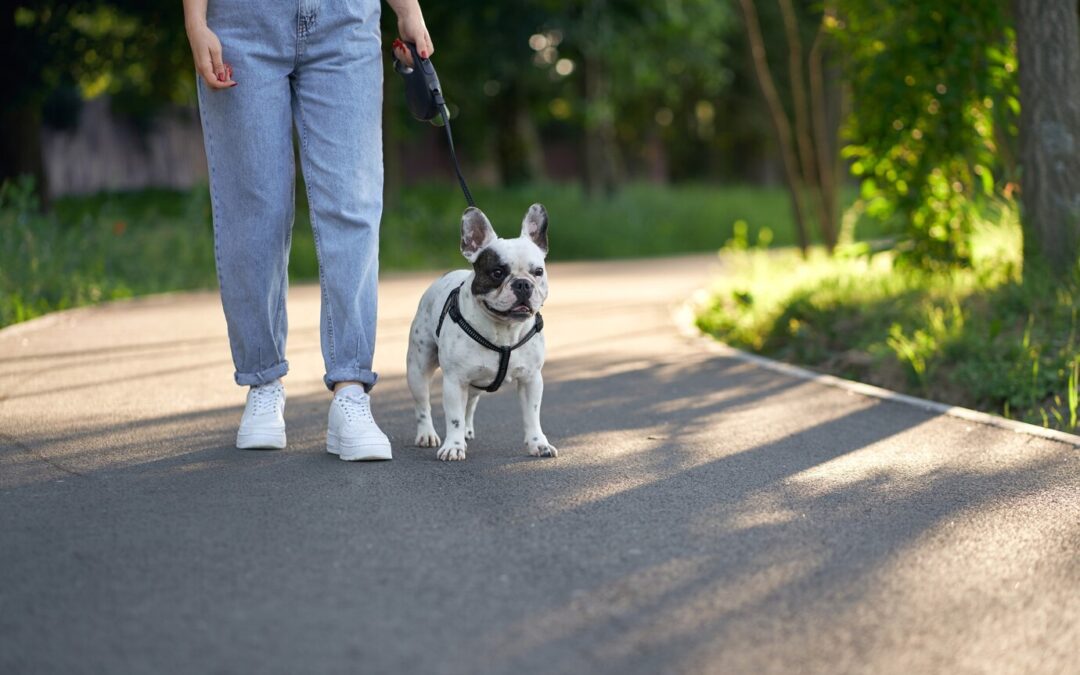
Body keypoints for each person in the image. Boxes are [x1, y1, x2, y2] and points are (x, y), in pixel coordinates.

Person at [183, 0, 434, 460]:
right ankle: (262, 381)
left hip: (344, 23)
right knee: (254, 207)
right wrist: (195, 20)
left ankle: (351, 390)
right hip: (243, 23)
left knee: (353, 203)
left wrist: (407, 9)